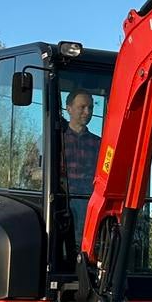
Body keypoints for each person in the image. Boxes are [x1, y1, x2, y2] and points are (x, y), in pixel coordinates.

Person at [61, 89, 102, 244]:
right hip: (63, 201)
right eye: (82, 107)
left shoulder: (99, 144)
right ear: (69, 108)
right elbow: (30, 171)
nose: (87, 112)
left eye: (90, 108)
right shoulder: (55, 140)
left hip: (89, 202)